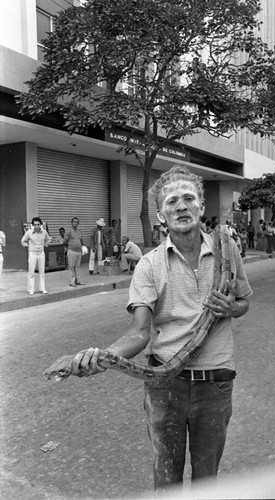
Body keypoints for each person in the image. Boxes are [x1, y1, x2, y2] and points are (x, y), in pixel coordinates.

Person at [69, 165, 252, 493]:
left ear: (201, 207)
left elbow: (243, 303)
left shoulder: (228, 250)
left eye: (188, 198)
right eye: (172, 202)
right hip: (166, 386)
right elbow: (140, 332)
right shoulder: (148, 265)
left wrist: (232, 308)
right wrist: (105, 357)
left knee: (207, 479)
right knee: (166, 477)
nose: (181, 206)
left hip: (216, 382)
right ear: (161, 216)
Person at [21, 217, 50, 295]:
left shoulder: (44, 232)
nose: (36, 226)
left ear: (41, 224)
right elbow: (23, 241)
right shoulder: (29, 232)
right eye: (35, 225)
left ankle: (42, 288)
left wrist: (46, 244)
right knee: (31, 272)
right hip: (32, 253)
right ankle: (31, 289)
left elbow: (48, 239)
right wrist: (28, 245)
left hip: (41, 253)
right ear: (32, 225)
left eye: (38, 224)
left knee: (42, 272)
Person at [63, 217, 85, 287]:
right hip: (71, 251)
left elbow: (82, 241)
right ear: (71, 223)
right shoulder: (69, 231)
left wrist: (83, 247)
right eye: (74, 222)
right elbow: (64, 242)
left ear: (78, 223)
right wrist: (70, 247)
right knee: (71, 267)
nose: (75, 223)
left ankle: (77, 280)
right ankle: (72, 282)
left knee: (77, 266)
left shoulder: (79, 231)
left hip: (79, 251)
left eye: (77, 222)